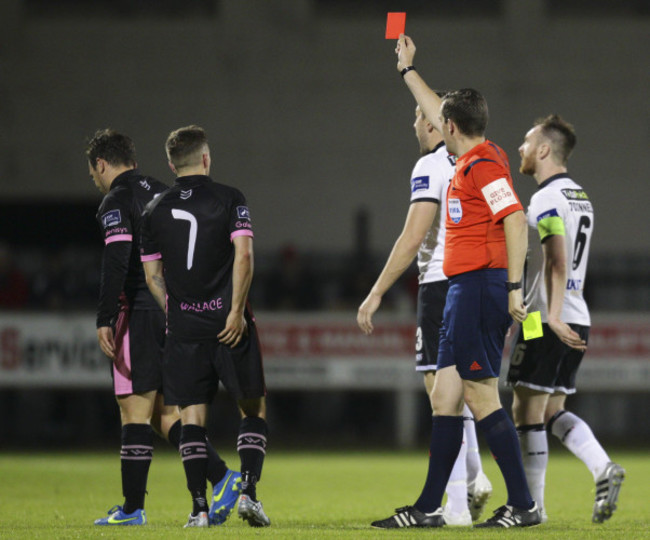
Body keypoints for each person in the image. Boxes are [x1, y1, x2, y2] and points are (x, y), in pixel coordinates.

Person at [376, 34, 542, 529]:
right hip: (462, 289)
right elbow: (434, 106)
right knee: (445, 399)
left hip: (480, 288)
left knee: (481, 396)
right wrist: (407, 70)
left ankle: (524, 504)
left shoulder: (481, 165)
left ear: (449, 127)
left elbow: (514, 218)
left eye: (438, 121)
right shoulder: (473, 154)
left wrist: (514, 287)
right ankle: (428, 508)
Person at [87, 129, 240, 527]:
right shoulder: (160, 191)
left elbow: (118, 260)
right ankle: (223, 477)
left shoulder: (114, 201)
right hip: (169, 309)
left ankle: (132, 509)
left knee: (133, 410)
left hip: (137, 311)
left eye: (94, 173)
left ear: (101, 165)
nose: (96, 179)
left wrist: (105, 317)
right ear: (133, 161)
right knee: (162, 414)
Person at [357, 104, 492, 527]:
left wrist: (376, 292)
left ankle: (453, 506)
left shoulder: (430, 165)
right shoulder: (481, 160)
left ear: (435, 124)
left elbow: (414, 235)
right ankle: (476, 478)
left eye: (417, 117)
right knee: (469, 391)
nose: (413, 124)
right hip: (480, 282)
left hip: (440, 285)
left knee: (442, 397)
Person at [141, 125, 270, 528]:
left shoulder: (153, 210)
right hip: (228, 324)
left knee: (192, 419)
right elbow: (244, 256)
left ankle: (198, 508)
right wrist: (233, 312)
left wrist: (178, 311)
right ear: (206, 158)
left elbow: (152, 275)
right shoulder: (230, 198)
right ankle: (247, 491)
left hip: (184, 330)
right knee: (253, 407)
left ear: (170, 164)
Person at [508, 115, 624, 523]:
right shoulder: (580, 195)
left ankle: (532, 507)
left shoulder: (545, 198)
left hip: (547, 317)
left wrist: (549, 318)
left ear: (543, 150)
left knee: (525, 410)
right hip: (578, 313)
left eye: (526, 142)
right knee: (551, 410)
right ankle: (602, 467)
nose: (520, 149)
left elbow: (557, 261)